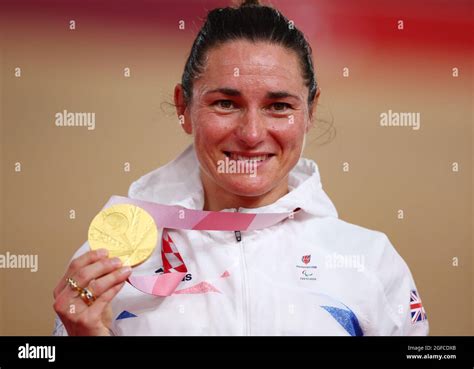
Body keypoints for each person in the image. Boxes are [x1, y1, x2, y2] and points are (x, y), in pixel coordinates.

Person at [52, 0, 429, 336]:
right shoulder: (107, 265)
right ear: (184, 107)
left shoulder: (370, 261)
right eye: (226, 104)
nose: (251, 134)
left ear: (310, 112)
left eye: (278, 106)